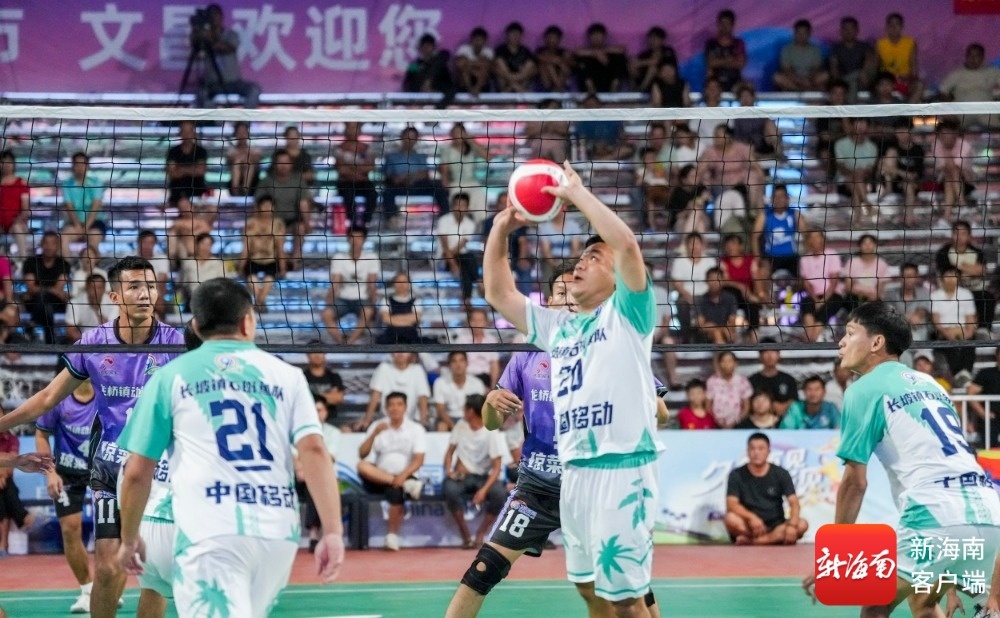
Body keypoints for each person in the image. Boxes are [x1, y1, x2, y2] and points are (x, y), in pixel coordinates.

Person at [483, 161, 663, 617]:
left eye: (595, 258)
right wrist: (501, 229)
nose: (582, 262)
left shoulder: (628, 315)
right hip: (575, 472)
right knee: (588, 589)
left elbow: (626, 244)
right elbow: (499, 294)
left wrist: (576, 194)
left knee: (626, 601)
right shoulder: (558, 327)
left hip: (623, 469)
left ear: (618, 278)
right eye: (582, 257)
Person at [116, 278, 343, 617]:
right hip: (277, 535)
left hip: (210, 531)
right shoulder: (289, 376)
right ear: (248, 322)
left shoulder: (169, 377)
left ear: (196, 326)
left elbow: (136, 473)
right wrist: (333, 531)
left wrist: (129, 538)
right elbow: (314, 451)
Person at [447, 264, 663, 617]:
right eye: (561, 293)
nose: (569, 299)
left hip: (593, 486)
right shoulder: (527, 354)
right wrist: (491, 402)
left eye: (575, 292)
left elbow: (660, 411)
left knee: (628, 587)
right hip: (537, 488)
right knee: (483, 570)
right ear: (548, 303)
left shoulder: (611, 345)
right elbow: (491, 423)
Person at [0, 256, 183, 617]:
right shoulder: (94, 342)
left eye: (150, 286)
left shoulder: (176, 344)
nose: (145, 294)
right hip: (110, 466)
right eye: (134, 286)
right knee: (109, 565)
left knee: (155, 570)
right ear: (114, 297)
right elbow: (47, 398)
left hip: (158, 469)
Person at [802, 301, 1000, 616]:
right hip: (988, 511)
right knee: (923, 601)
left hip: (933, 513)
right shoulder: (931, 384)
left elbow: (855, 483)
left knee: (875, 604)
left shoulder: (863, 389)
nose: (841, 342)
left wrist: (835, 556)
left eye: (850, 333)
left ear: (876, 343)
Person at [34, 373, 98, 613]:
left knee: (112, 532)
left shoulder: (106, 395)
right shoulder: (59, 398)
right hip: (67, 472)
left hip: (101, 469)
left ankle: (106, 586)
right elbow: (41, 434)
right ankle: (88, 590)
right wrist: (50, 472)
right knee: (70, 529)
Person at [357, 391, 427, 551]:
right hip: (379, 477)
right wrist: (374, 434)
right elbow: (362, 453)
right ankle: (405, 484)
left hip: (406, 474)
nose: (395, 408)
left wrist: (403, 476)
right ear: (386, 408)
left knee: (395, 490)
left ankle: (392, 536)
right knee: (362, 465)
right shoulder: (377, 426)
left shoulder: (415, 429)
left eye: (399, 404)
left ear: (406, 407)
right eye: (391, 405)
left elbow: (419, 459)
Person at [442, 394, 507, 549]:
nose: (463, 411)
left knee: (499, 493)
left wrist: (483, 490)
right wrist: (448, 470)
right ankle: (465, 534)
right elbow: (449, 452)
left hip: (483, 478)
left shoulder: (491, 431)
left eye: (465, 408)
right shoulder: (461, 426)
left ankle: (481, 533)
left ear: (470, 411)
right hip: (462, 476)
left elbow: (497, 467)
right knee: (449, 488)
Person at [724, 433, 808, 545]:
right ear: (747, 452)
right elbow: (731, 504)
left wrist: (792, 525)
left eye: (761, 449)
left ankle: (756, 541)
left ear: (768, 452)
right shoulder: (736, 474)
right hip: (749, 525)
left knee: (802, 524)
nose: (756, 453)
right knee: (730, 519)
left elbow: (794, 502)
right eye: (752, 449)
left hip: (776, 525)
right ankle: (771, 539)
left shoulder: (781, 473)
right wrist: (751, 518)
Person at [193, 4, 261, 109]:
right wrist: (197, 32)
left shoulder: (231, 34)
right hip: (213, 84)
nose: (213, 18)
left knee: (254, 90)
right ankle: (214, 118)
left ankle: (244, 119)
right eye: (210, 16)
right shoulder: (203, 37)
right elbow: (196, 51)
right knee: (201, 94)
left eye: (216, 15)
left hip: (233, 82)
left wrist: (210, 38)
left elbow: (228, 48)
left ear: (221, 17)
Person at [322, 225, 379, 344]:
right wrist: (329, 303)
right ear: (348, 239)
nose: (355, 241)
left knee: (368, 312)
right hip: (343, 299)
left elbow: (371, 284)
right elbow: (335, 283)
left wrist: (373, 305)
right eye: (352, 237)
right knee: (326, 314)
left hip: (362, 299)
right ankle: (340, 342)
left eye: (359, 238)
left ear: (364, 240)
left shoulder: (372, 258)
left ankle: (350, 342)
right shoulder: (339, 257)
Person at [239, 195, 286, 312]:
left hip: (271, 260)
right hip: (254, 259)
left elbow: (280, 248)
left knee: (269, 279)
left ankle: (259, 302)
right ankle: (261, 303)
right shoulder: (251, 224)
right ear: (259, 207)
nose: (267, 208)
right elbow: (246, 248)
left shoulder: (278, 224)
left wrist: (283, 267)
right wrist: (241, 266)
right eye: (264, 205)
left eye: (269, 206)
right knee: (252, 278)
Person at [59, 152, 105, 258]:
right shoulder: (67, 184)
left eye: (82, 164)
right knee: (63, 238)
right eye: (77, 164)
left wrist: (86, 228)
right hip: (75, 223)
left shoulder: (96, 182)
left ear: (87, 166)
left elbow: (95, 207)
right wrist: (77, 226)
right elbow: (69, 206)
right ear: (73, 167)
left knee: (94, 240)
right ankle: (68, 266)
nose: (80, 167)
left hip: (94, 223)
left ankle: (94, 267)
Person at [433, 351, 487, 432]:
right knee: (441, 426)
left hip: (470, 418)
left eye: (461, 360)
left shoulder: (477, 383)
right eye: (454, 361)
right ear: (449, 364)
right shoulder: (440, 382)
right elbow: (440, 410)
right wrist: (454, 426)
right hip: (449, 418)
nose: (458, 365)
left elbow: (480, 409)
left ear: (467, 363)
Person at [772, 20, 828, 92]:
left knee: (825, 76)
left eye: (804, 33)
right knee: (777, 77)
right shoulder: (787, 49)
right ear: (794, 34)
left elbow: (816, 68)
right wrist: (799, 81)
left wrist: (808, 79)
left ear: (809, 34)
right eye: (799, 33)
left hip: (810, 80)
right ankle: (803, 90)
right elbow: (786, 69)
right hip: (793, 80)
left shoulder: (815, 49)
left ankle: (800, 90)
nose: (801, 36)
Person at [749, 344, 799, 418]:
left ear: (779, 355)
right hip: (759, 420)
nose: (770, 355)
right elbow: (748, 402)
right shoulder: (752, 380)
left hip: (784, 420)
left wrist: (783, 406)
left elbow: (794, 400)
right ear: (760, 356)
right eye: (766, 352)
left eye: (773, 351)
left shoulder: (788, 379)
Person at [165, 120, 208, 205]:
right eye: (184, 131)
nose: (187, 134)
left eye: (189, 131)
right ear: (180, 133)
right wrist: (192, 169)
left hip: (198, 194)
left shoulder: (201, 151)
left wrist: (181, 169)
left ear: (194, 133)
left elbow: (200, 171)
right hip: (177, 195)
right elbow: (172, 173)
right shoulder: (173, 151)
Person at [704, 10, 747, 92]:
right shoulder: (711, 44)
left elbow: (740, 63)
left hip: (735, 83)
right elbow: (711, 63)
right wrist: (730, 60)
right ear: (718, 24)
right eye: (722, 23)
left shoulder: (738, 43)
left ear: (732, 25)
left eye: (727, 24)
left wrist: (719, 61)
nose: (724, 27)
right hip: (716, 84)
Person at [225, 121, 261, 197]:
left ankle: (245, 190)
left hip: (253, 182)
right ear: (235, 134)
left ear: (248, 133)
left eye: (244, 132)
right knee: (237, 162)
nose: (242, 135)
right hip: (234, 181)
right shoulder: (231, 151)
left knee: (248, 162)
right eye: (239, 132)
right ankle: (236, 190)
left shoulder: (255, 149)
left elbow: (257, 159)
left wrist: (244, 158)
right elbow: (230, 160)